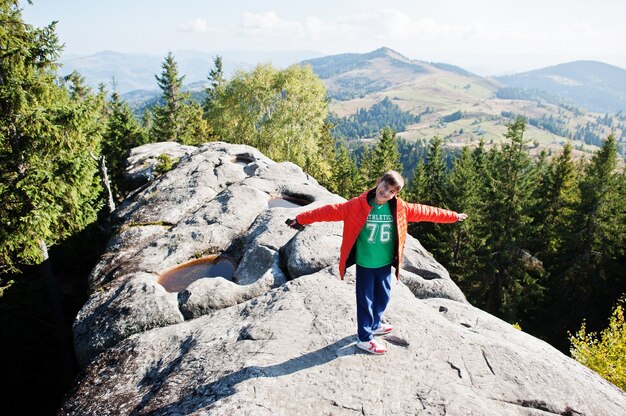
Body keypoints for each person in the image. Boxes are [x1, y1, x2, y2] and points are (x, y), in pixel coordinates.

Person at [286, 170, 467, 355]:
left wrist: (453, 216)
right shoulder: (356, 205)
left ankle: (375, 324)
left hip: (385, 263)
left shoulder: (399, 208)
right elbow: (326, 212)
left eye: (392, 192)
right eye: (385, 186)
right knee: (365, 301)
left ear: (396, 195)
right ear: (379, 182)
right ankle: (364, 338)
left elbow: (427, 212)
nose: (386, 193)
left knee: (383, 297)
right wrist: (300, 219)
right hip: (365, 263)